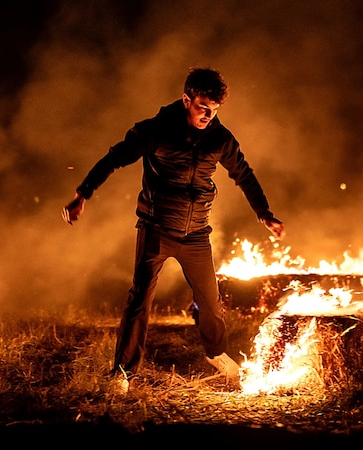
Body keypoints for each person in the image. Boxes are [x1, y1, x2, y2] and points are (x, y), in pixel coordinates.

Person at [62, 67, 285, 393]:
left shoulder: (220, 138)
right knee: (139, 300)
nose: (208, 116)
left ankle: (216, 353)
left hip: (196, 235)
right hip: (157, 228)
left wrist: (264, 213)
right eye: (202, 108)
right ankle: (122, 373)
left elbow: (244, 174)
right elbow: (114, 158)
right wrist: (83, 194)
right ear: (186, 100)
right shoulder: (155, 131)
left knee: (211, 302)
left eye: (214, 111)